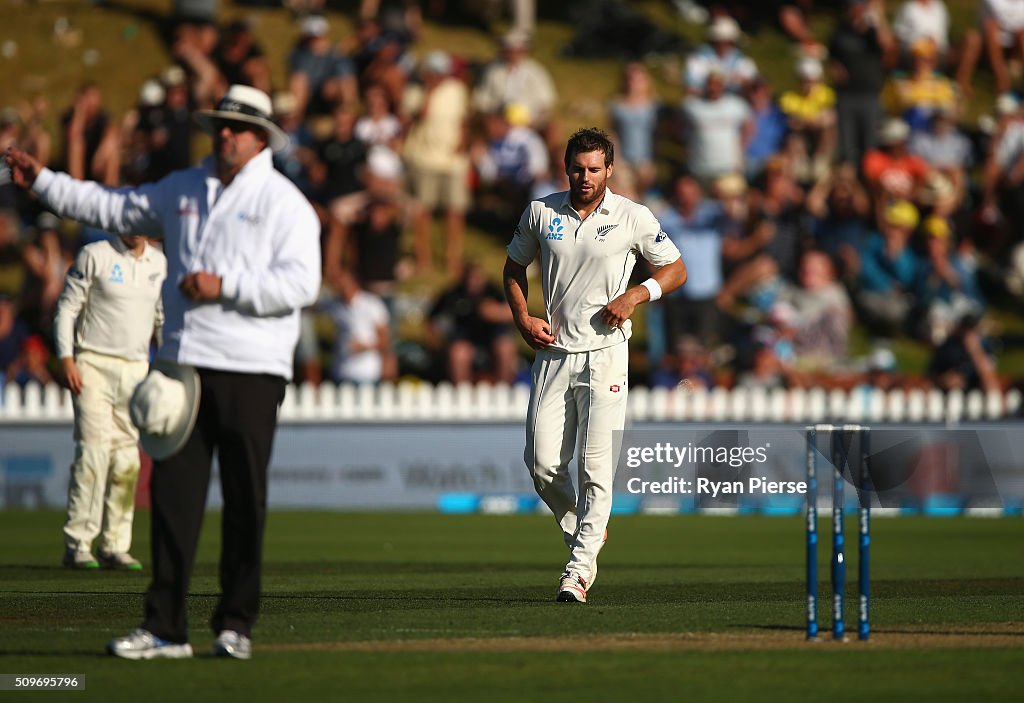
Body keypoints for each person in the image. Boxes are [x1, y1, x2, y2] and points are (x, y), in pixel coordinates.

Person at [4, 84, 322, 660]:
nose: (223, 134)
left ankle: (235, 625)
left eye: (235, 127)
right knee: (174, 498)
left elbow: (301, 285)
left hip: (253, 368)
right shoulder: (184, 188)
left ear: (260, 138)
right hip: (183, 367)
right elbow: (113, 207)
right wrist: (45, 183)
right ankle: (165, 627)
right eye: (219, 125)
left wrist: (226, 288)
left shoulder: (285, 203)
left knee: (245, 500)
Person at [502, 128, 686, 603]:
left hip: (607, 353)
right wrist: (523, 317)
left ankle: (578, 572)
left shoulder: (633, 216)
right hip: (555, 352)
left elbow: (675, 268)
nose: (585, 178)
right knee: (542, 466)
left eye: (594, 169)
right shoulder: (542, 211)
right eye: (577, 169)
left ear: (610, 170)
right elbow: (513, 267)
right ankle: (588, 529)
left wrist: (637, 294)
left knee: (595, 467)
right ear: (567, 169)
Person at [54, 231, 165, 571]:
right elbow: (67, 309)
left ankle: (115, 545)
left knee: (127, 458)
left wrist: (169, 366)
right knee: (93, 451)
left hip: (135, 370)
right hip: (93, 365)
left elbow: (161, 319)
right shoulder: (95, 255)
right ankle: (79, 544)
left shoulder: (158, 262)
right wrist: (67, 358)